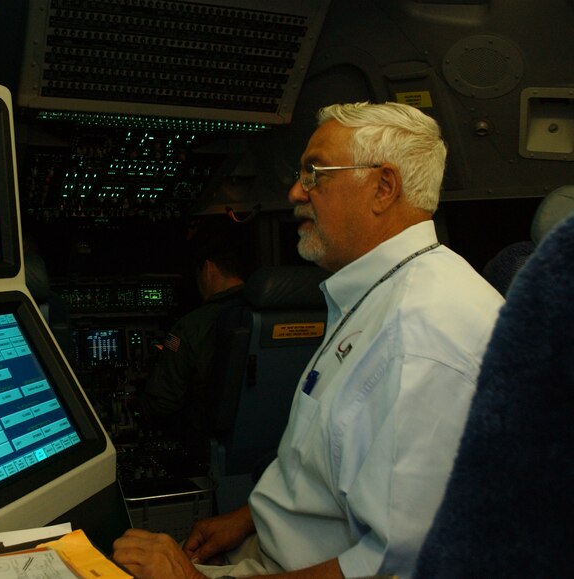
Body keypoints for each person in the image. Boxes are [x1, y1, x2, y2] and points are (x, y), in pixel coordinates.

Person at [113, 101, 504, 579]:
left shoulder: (423, 338)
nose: (296, 191)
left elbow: (394, 568)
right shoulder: (379, 295)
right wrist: (247, 518)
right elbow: (330, 464)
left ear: (383, 187)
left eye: (316, 173)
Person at [135, 221, 247, 458]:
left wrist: (133, 406)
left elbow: (162, 404)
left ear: (207, 269)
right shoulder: (268, 313)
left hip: (205, 448)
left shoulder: (188, 328)